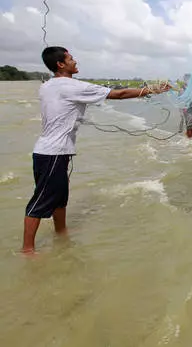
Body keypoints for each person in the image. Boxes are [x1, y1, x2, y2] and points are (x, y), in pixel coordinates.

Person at [21, 46, 170, 254]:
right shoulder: (71, 86)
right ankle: (27, 251)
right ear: (60, 64)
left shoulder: (48, 86)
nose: (75, 61)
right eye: (71, 58)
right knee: (41, 201)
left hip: (51, 152)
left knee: (59, 198)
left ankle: (61, 233)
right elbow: (120, 94)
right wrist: (154, 89)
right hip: (53, 153)